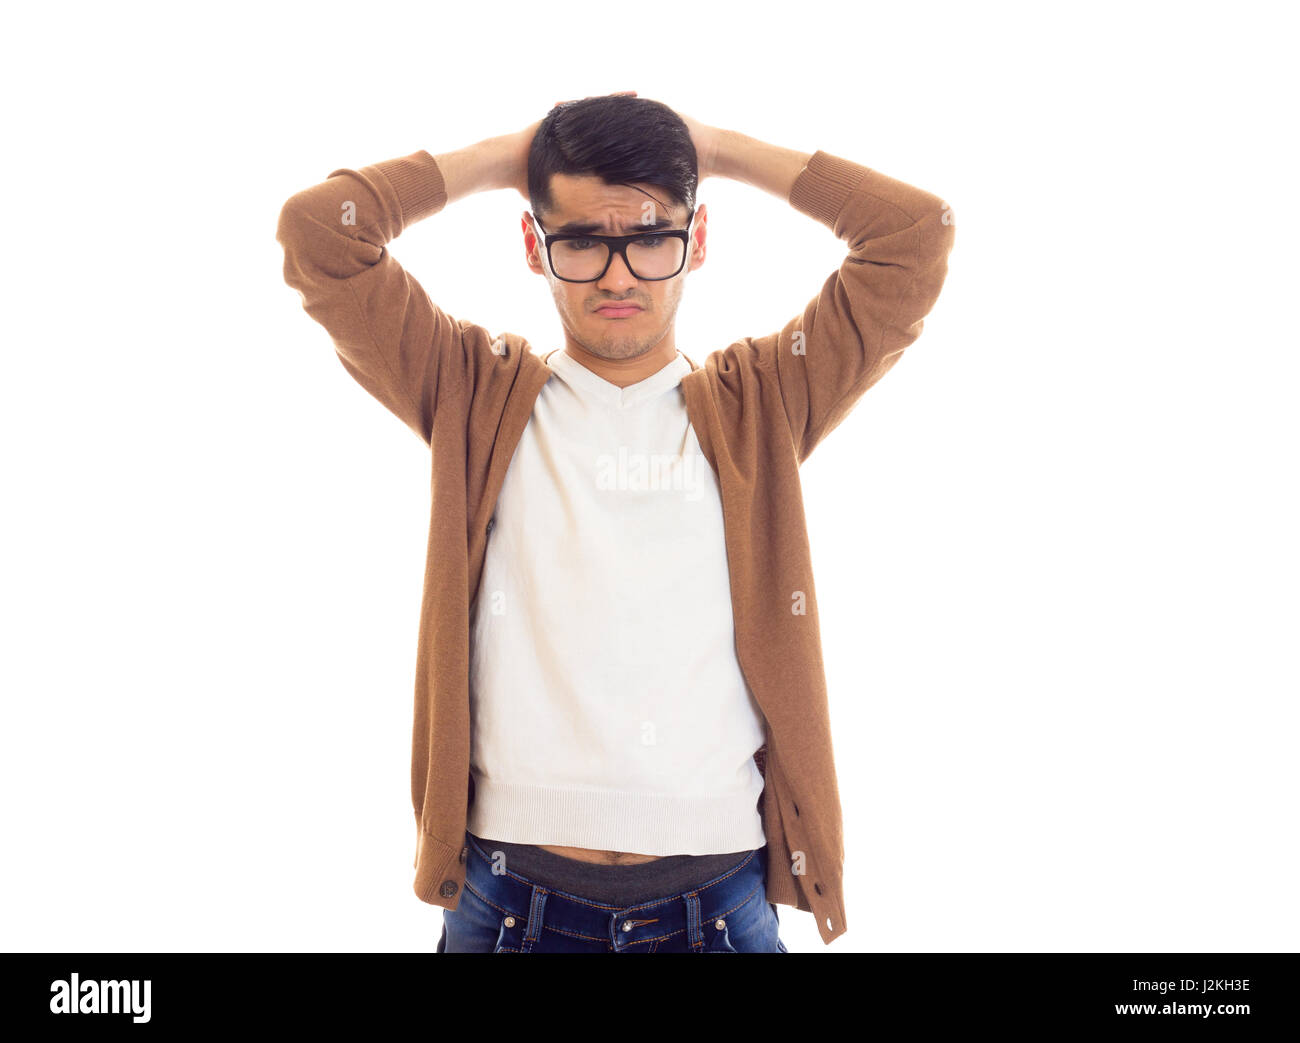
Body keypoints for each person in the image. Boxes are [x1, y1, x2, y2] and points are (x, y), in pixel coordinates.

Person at [275, 92, 955, 952]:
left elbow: (916, 235)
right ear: (536, 247)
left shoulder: (762, 404)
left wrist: (724, 150)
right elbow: (319, 235)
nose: (619, 274)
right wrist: (501, 159)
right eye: (583, 241)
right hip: (510, 906)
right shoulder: (471, 392)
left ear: (697, 241)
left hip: (718, 906)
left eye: (651, 238)